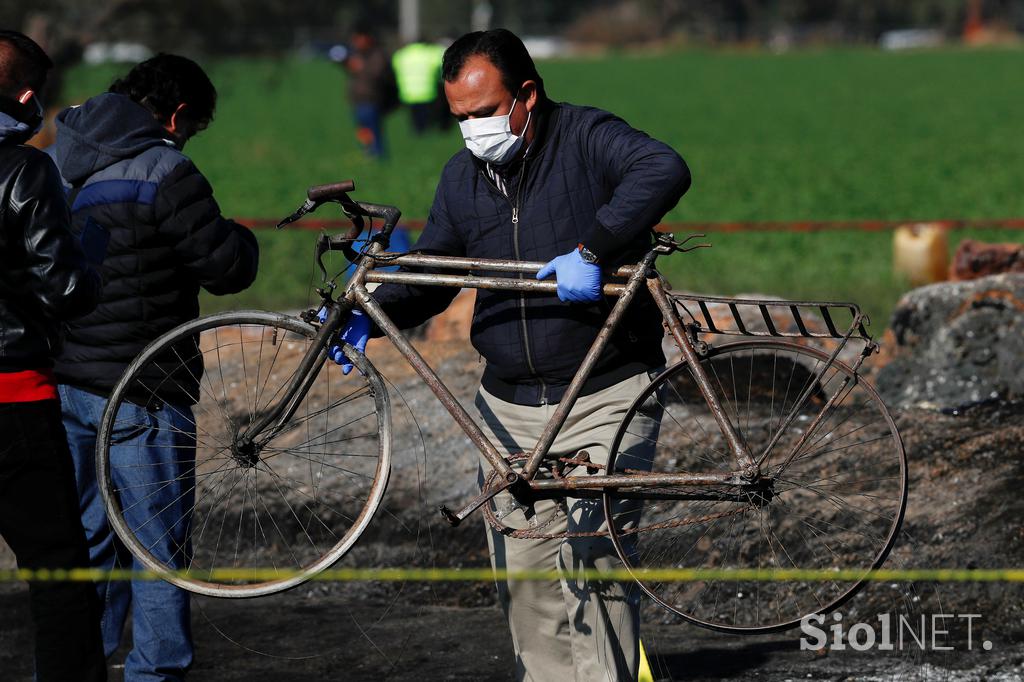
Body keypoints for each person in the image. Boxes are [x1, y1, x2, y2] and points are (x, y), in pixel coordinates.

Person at [334, 28, 690, 682]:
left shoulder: (585, 137)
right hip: (507, 411)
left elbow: (662, 169)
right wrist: (370, 311)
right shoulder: (464, 177)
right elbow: (437, 270)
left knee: (593, 566)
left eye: (484, 112)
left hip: (606, 393)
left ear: (526, 94)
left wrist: (594, 249)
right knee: (526, 582)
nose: (473, 130)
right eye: (460, 119)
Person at [49, 54, 260, 681]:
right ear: (175, 115)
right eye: (192, 126)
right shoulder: (167, 170)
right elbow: (226, 268)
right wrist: (239, 235)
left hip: (67, 386)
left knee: (85, 543)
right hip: (144, 389)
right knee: (157, 548)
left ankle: (73, 667)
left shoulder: (56, 160)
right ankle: (154, 674)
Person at [0, 29, 106, 681]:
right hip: (13, 396)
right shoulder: (25, 168)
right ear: (32, 96)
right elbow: (62, 288)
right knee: (57, 572)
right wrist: (88, 264)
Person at [342, 25, 397, 158]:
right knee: (363, 132)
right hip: (358, 101)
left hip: (371, 100)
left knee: (374, 131)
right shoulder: (358, 54)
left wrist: (360, 67)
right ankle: (368, 155)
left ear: (367, 38)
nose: (356, 42)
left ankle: (378, 156)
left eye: (358, 39)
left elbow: (378, 74)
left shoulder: (377, 54)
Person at [392, 40, 446, 134]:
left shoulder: (402, 54)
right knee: (425, 114)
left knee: (414, 114)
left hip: (408, 91)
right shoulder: (429, 53)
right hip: (426, 90)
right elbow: (440, 60)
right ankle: (425, 130)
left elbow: (395, 63)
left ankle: (417, 130)